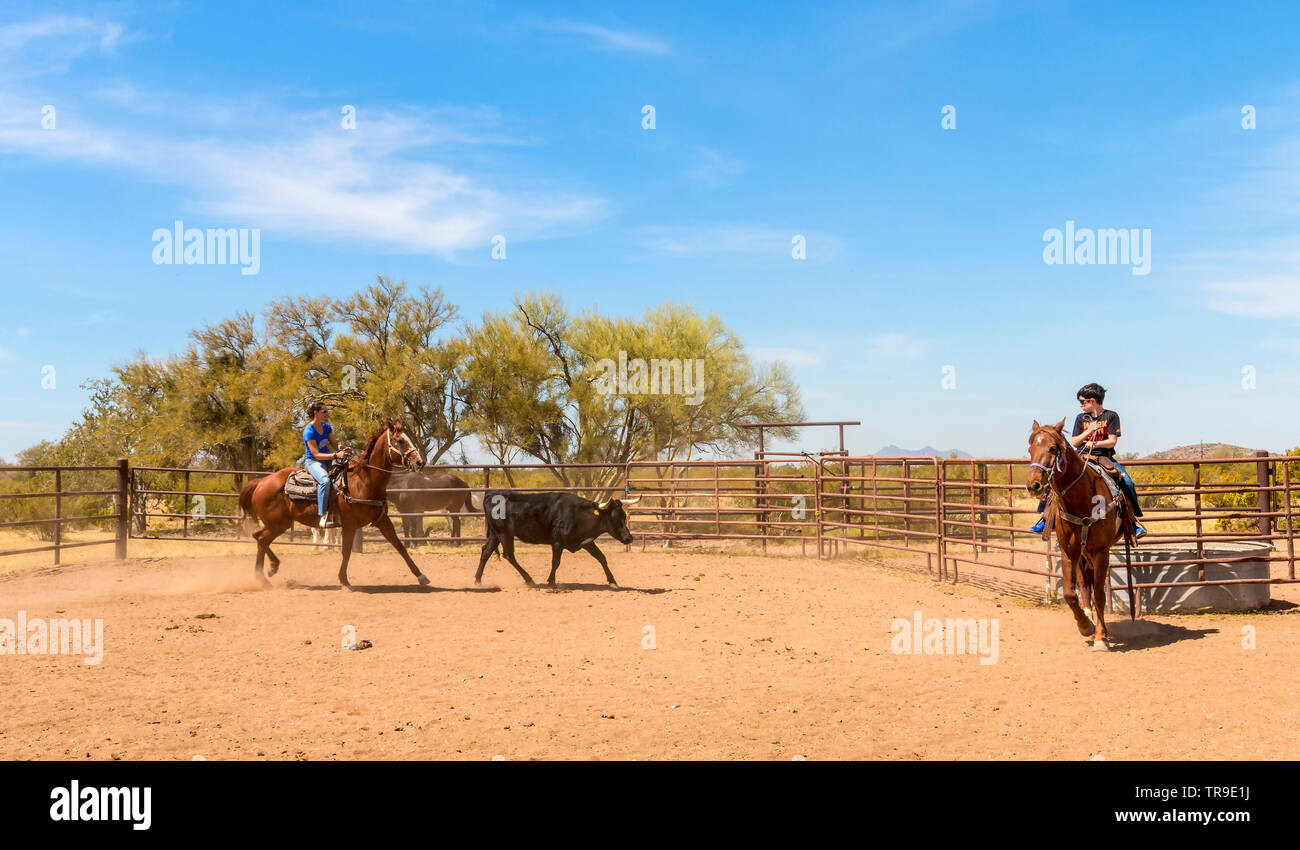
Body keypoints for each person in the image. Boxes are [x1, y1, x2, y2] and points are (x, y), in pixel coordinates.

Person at [1030, 383, 1146, 538]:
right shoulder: (1081, 419)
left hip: (1104, 458)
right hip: (1082, 457)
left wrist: (1095, 443)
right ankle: (1045, 519)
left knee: (1127, 482)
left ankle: (1132, 521)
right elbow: (1076, 442)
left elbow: (1112, 441)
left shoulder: (1111, 416)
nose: (1081, 405)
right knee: (1055, 480)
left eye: (1083, 401)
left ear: (1093, 401)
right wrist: (1089, 431)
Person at [302, 402, 352, 528]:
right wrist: (336, 456)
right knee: (324, 481)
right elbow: (316, 454)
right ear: (316, 413)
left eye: (327, 411)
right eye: (324, 411)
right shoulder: (309, 431)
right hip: (313, 461)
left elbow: (335, 444)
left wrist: (342, 449)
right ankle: (323, 515)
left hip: (328, 460)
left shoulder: (326, 426)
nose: (327, 414)